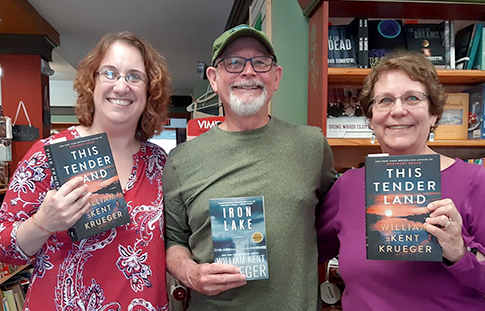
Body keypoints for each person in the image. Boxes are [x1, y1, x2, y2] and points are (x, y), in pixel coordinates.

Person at [164, 24, 336, 311]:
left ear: (276, 77)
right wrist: (191, 273)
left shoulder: (312, 145)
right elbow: (173, 240)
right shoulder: (181, 160)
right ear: (213, 78)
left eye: (260, 62)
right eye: (233, 63)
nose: (248, 72)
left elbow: (331, 224)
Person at [0, 31, 172, 310]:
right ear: (92, 82)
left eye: (134, 76)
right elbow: (3, 245)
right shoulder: (47, 153)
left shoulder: (158, 162)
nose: (121, 86)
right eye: (110, 73)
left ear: (150, 90)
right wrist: (43, 223)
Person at [317, 51, 485, 310]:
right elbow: (308, 252)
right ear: (370, 118)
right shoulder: (348, 186)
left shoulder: (473, 181)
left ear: (434, 113)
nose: (398, 111)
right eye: (385, 100)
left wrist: (459, 251)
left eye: (412, 98)